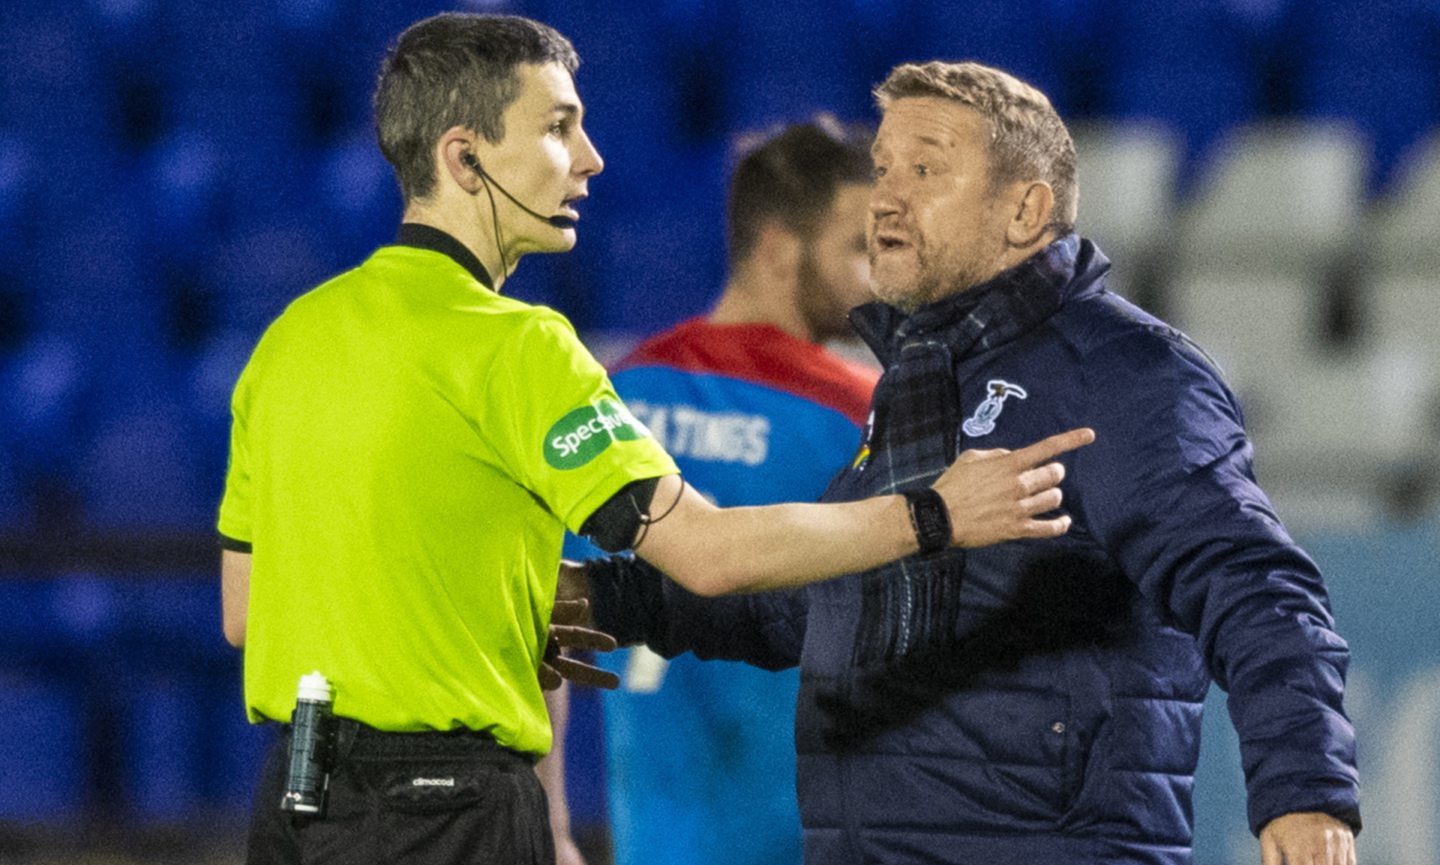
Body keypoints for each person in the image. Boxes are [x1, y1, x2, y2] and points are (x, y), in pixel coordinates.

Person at [216, 14, 1093, 865]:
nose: (591, 158)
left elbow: (245, 610)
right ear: (464, 156)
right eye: (559, 128)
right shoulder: (519, 346)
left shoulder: (290, 337)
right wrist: (933, 514)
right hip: (448, 811)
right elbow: (706, 555)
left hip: (296, 799)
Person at [577, 60, 1360, 865]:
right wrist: (616, 600)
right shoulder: (917, 385)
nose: (887, 195)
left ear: (1024, 209)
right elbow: (822, 609)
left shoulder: (1124, 374)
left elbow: (1257, 586)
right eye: (883, 169)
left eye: (926, 169)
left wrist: (1305, 790)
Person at [584, 117, 880, 865]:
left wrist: (551, 821)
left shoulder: (617, 394)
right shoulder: (857, 412)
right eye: (856, 248)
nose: (872, 277)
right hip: (801, 833)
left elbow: (544, 621)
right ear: (780, 248)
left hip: (652, 836)